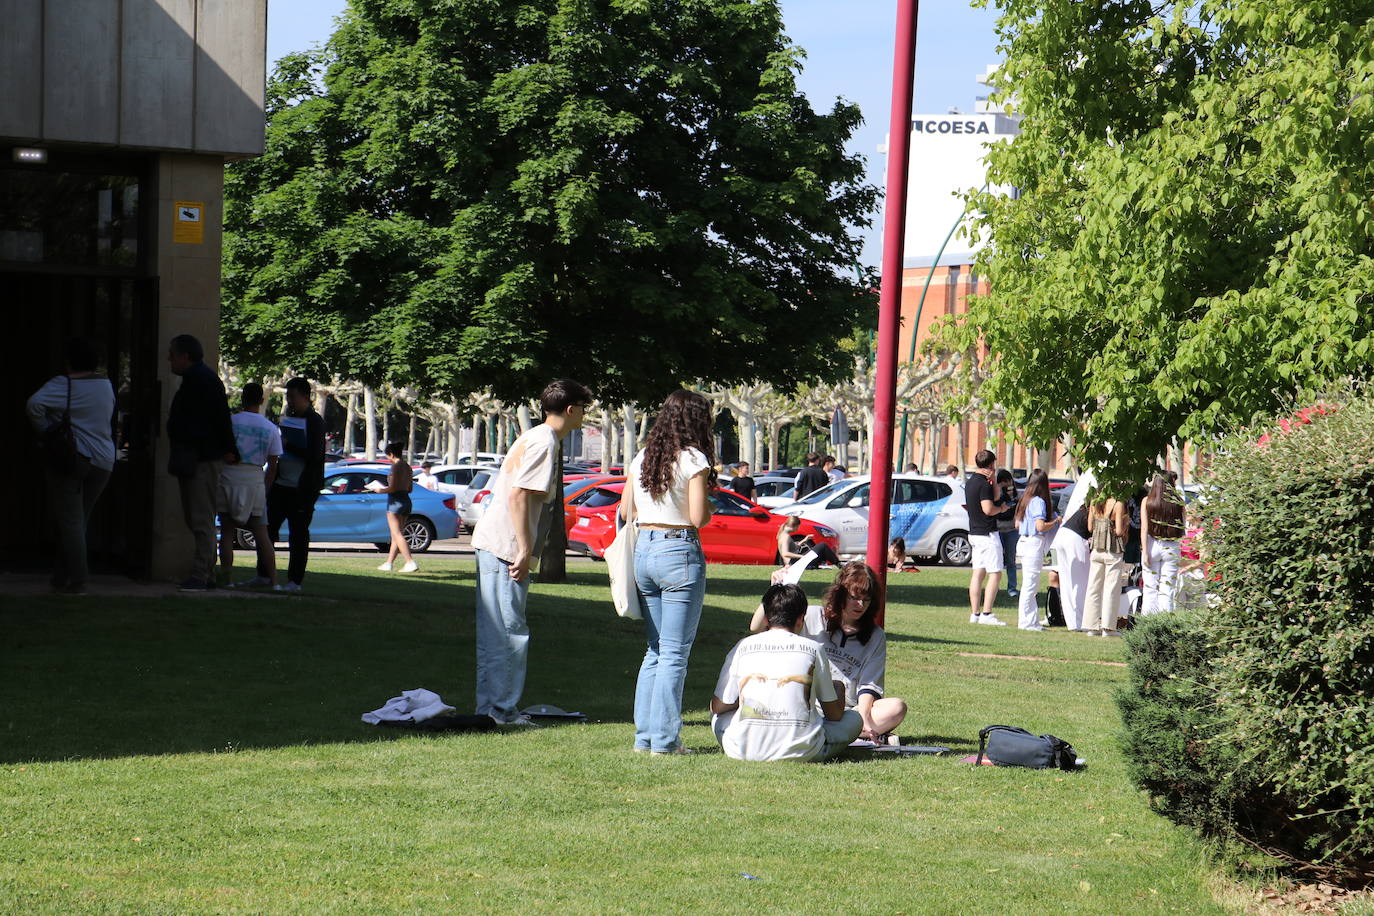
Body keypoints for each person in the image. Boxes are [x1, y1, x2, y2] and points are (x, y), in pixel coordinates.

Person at [471, 378, 592, 725]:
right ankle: (502, 711)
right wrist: (525, 550)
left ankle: (493, 710)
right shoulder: (544, 443)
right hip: (506, 547)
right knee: (510, 633)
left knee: (497, 634)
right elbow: (519, 496)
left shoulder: (535, 436)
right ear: (571, 410)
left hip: (495, 544)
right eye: (582, 409)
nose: (583, 416)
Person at [620, 389, 714, 755]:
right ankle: (665, 740)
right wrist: (708, 508)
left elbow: (626, 510)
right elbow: (697, 517)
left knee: (655, 650)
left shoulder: (643, 456)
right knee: (674, 654)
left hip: (644, 548)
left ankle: (645, 737)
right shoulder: (693, 459)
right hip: (679, 549)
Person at [714, 583, 863, 761]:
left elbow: (718, 706)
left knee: (717, 717)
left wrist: (746, 696)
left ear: (766, 619)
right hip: (802, 752)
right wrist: (837, 687)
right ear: (801, 619)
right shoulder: (814, 648)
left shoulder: (743, 646)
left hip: (744, 750)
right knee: (855, 719)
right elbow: (834, 714)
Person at [26, 337, 116, 594]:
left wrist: (46, 432)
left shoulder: (63, 385)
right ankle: (60, 576)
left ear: (68, 361)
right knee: (78, 520)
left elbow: (33, 405)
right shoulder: (106, 386)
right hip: (103, 461)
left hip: (72, 458)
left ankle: (78, 579)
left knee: (70, 521)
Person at [166, 334, 238, 591]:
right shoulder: (200, 379)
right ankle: (204, 572)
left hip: (201, 458)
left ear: (185, 356)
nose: (169, 359)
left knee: (200, 518)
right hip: (199, 456)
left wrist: (227, 448)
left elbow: (219, 418)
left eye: (172, 354)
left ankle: (202, 572)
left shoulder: (200, 381)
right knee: (199, 517)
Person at [217, 383, 281, 589]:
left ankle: (226, 579)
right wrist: (266, 488)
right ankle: (274, 581)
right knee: (262, 534)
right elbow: (272, 466)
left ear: (242, 398)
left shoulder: (229, 422)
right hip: (254, 479)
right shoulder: (270, 428)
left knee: (226, 531)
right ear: (262, 400)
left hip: (229, 475)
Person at [267, 378, 326, 594]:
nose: (288, 401)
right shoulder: (290, 418)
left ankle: (295, 580)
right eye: (287, 397)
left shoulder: (315, 421)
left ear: (305, 396)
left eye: (291, 396)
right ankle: (264, 574)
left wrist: (290, 444)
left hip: (302, 488)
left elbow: (315, 455)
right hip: (281, 484)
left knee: (298, 534)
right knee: (268, 529)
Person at [1013, 470, 1061, 630]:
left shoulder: (1025, 499)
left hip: (1023, 541)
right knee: (1030, 584)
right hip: (1033, 542)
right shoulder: (1039, 501)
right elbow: (1040, 526)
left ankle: (1031, 620)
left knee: (1029, 583)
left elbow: (1017, 524)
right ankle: (1026, 622)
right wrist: (1054, 522)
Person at [965, 449, 1008, 625]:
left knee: (978, 573)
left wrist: (994, 479)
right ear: (991, 464)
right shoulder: (982, 484)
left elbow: (996, 495)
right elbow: (989, 508)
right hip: (987, 533)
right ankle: (987, 613)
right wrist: (1002, 509)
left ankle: (975, 613)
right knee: (995, 574)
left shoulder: (971, 482)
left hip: (974, 533)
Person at [1084, 489, 1129, 636]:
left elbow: (1090, 528)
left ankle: (1092, 626)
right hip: (1112, 549)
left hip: (1097, 548)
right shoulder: (1118, 503)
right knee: (1111, 589)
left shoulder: (1094, 502)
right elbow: (1118, 532)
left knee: (1093, 588)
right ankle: (1108, 628)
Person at [1140, 474, 1186, 615]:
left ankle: (1147, 623)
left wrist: (1145, 551)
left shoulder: (1147, 501)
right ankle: (1165, 624)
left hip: (1152, 543)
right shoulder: (1179, 502)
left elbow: (1144, 528)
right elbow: (1183, 527)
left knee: (1150, 588)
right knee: (1168, 589)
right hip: (1171, 545)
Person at [375, 441, 418, 573]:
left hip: (395, 503)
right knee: (396, 535)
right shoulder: (407, 467)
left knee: (397, 534)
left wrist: (379, 490)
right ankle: (389, 563)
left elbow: (392, 488)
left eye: (387, 455)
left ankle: (409, 562)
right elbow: (409, 488)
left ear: (391, 454)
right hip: (406, 501)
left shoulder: (395, 467)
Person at [996, 469, 1019, 597]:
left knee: (1011, 560)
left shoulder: (1014, 493)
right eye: (1004, 481)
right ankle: (995, 586)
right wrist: (999, 492)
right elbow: (996, 507)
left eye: (1009, 481)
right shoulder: (996, 492)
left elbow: (1015, 508)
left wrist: (1011, 496)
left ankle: (1012, 588)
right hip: (998, 529)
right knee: (997, 560)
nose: (1007, 484)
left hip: (1011, 530)